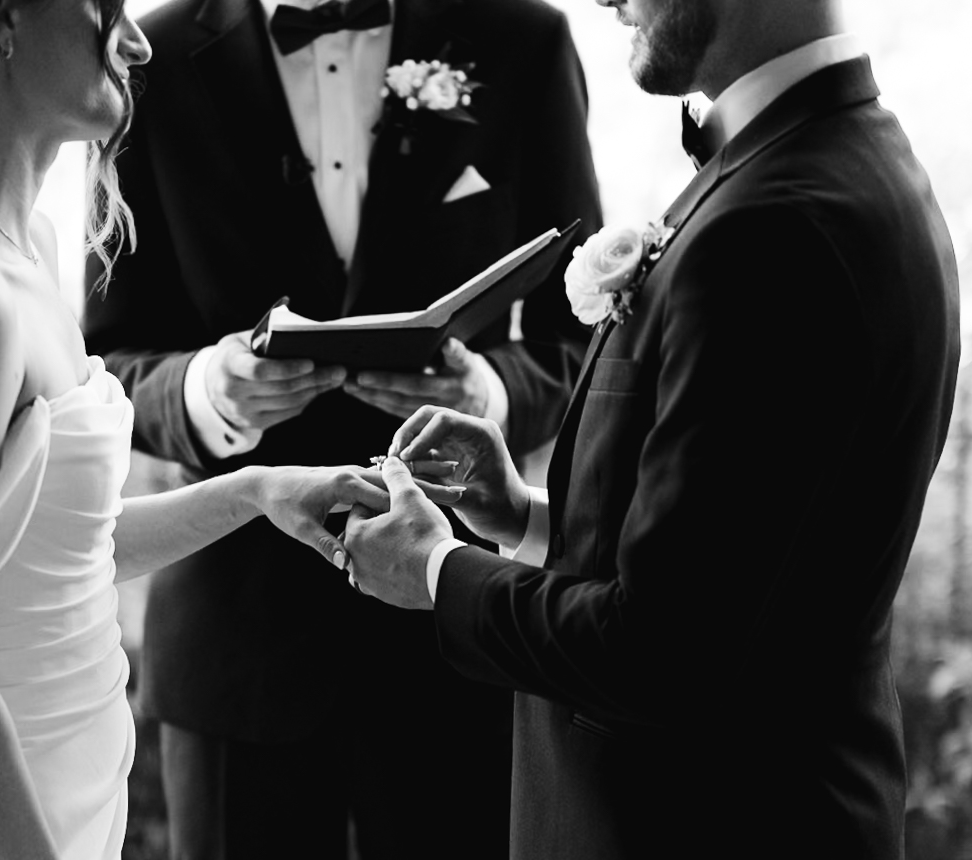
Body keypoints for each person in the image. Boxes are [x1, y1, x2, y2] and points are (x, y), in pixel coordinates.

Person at [0, 1, 459, 858]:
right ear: (0, 18)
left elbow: (59, 557)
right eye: (99, 9)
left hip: (52, 819)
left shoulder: (21, 247)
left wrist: (259, 492)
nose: (137, 39)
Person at [343, 0, 961, 857]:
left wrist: (433, 571)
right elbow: (744, 563)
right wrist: (521, 515)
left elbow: (663, 652)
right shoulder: (829, 154)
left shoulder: (776, 224)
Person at [80, 0, 602, 854]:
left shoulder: (520, 38)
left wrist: (491, 398)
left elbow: (581, 333)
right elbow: (108, 360)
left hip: (456, 635)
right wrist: (209, 391)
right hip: (237, 644)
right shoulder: (153, 54)